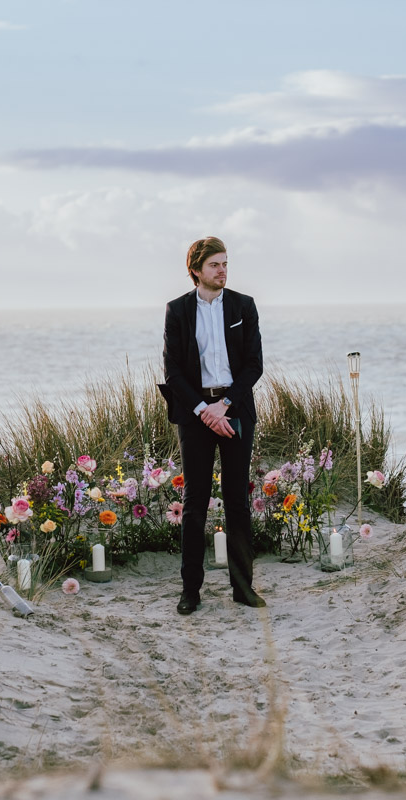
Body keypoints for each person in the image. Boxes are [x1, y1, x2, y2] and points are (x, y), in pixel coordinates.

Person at [161, 236, 265, 614]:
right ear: (196, 271)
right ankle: (191, 591)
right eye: (215, 265)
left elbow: (254, 364)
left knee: (238, 501)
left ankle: (243, 589)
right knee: (194, 504)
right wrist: (205, 410)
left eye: (225, 263)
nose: (223, 270)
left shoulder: (243, 305)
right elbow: (173, 371)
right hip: (196, 413)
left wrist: (224, 405)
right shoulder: (177, 310)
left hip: (234, 406)